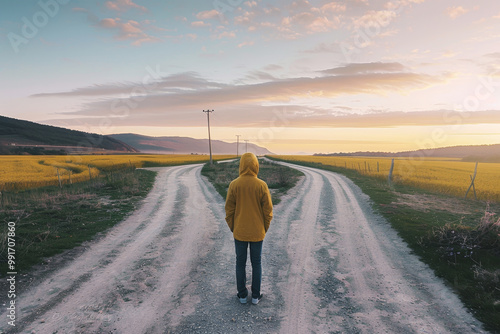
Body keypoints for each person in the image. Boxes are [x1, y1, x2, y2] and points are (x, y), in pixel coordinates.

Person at [225, 152, 273, 305]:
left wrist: (234, 227)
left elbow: (229, 210)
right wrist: (264, 228)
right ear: (255, 165)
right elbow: (268, 212)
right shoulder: (261, 185)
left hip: (239, 231)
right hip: (257, 232)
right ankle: (256, 296)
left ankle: (242, 295)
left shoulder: (234, 185)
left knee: (240, 263)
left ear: (241, 165)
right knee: (256, 263)